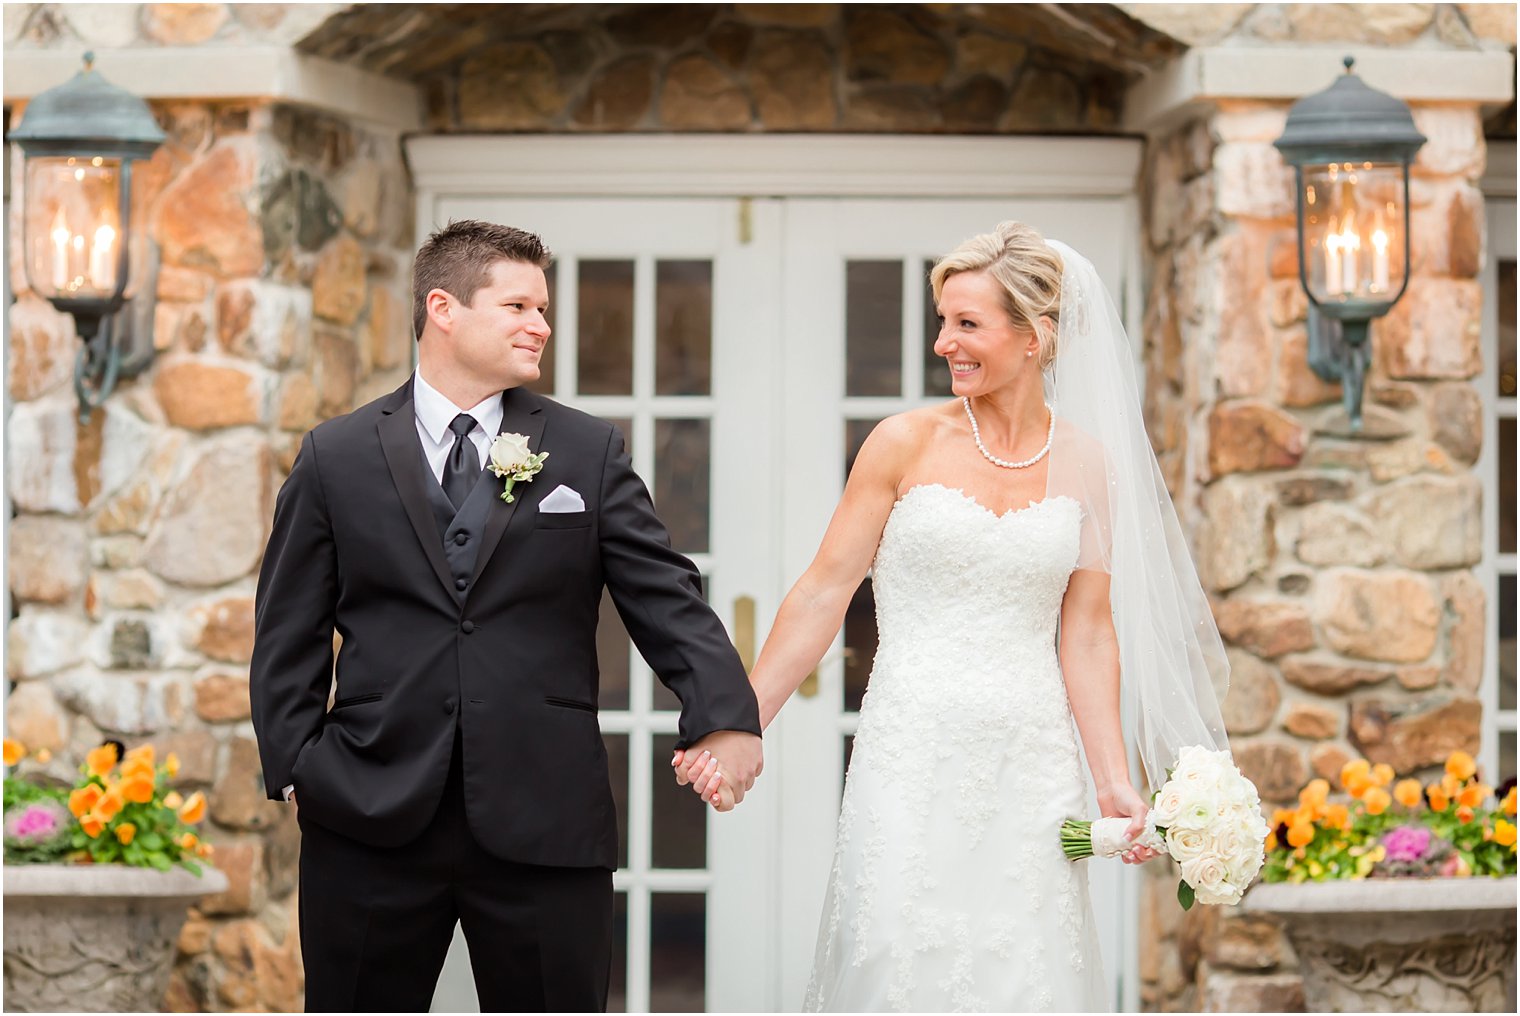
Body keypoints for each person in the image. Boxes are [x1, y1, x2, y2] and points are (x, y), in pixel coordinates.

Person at [675, 222, 1229, 1011]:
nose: (944, 343)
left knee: (1024, 972)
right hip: (912, 749)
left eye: (967, 324)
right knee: (900, 957)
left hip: (1032, 761)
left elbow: (1089, 631)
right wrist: (739, 723)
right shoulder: (903, 442)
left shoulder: (1087, 464)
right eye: (943, 321)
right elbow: (823, 592)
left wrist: (1112, 780)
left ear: (1036, 336)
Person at [250, 220, 762, 1013]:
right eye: (519, 305)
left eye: (544, 308)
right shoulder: (336, 455)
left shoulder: (586, 450)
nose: (542, 327)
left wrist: (725, 715)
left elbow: (665, 595)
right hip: (368, 808)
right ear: (444, 308)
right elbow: (288, 627)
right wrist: (299, 768)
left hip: (545, 810)